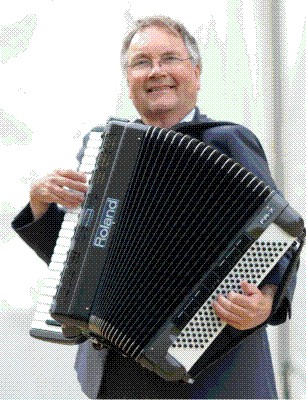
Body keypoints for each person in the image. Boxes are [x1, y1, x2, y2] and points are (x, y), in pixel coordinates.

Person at [12, 16, 298, 399]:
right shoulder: (103, 151)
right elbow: (82, 268)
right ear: (128, 80)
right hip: (118, 370)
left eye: (170, 59)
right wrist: (40, 207)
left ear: (196, 74)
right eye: (141, 62)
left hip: (212, 372)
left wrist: (266, 301)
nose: (156, 71)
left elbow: (279, 233)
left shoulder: (228, 142)